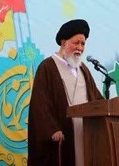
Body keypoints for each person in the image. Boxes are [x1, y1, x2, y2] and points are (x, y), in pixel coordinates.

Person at [28, 19, 103, 166]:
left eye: (83, 44)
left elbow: (96, 100)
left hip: (85, 136)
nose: (80, 48)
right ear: (63, 43)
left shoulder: (84, 70)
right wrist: (52, 130)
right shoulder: (47, 67)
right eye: (76, 43)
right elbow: (40, 105)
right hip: (62, 138)